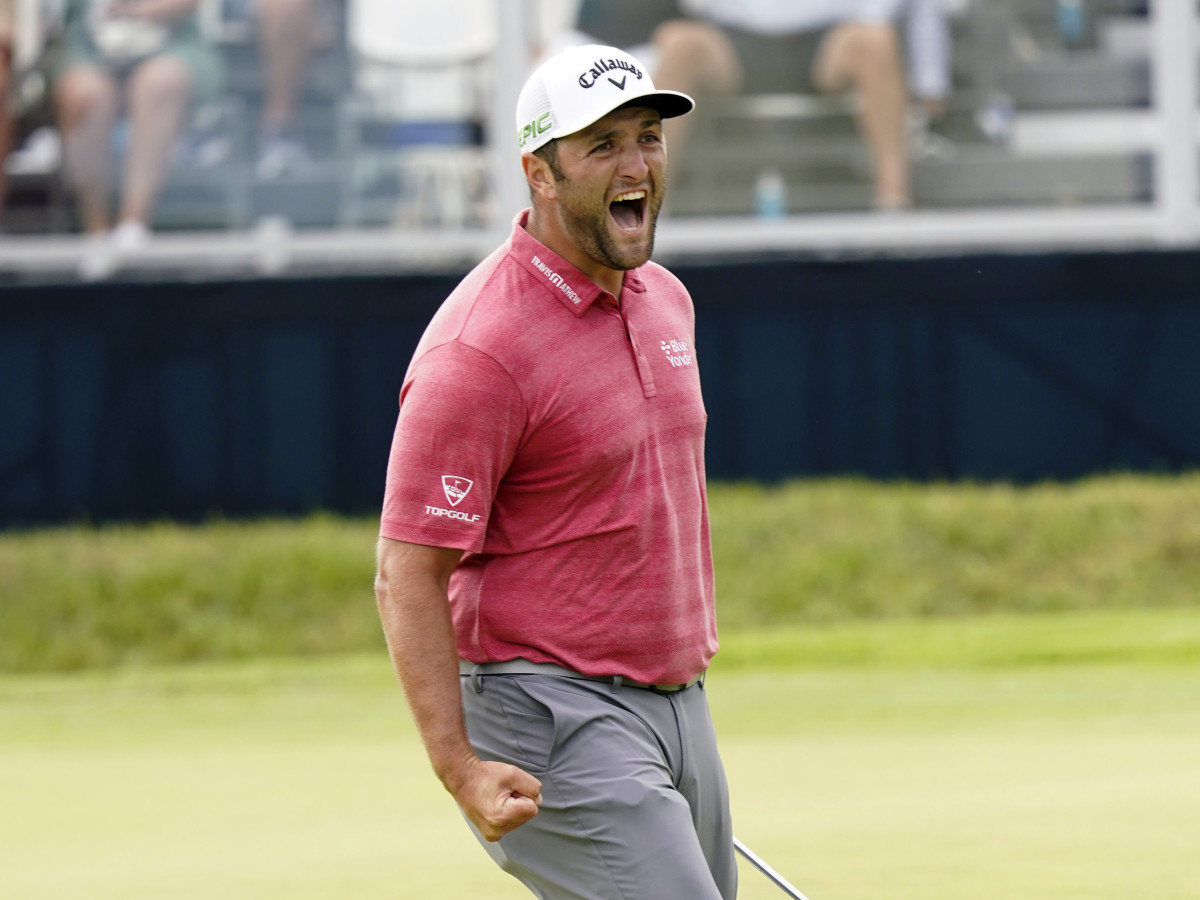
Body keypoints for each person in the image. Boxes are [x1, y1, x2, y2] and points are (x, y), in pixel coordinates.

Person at [374, 42, 737, 899]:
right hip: (549, 711)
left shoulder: (666, 300)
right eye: (602, 145)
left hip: (680, 705)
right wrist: (458, 765)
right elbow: (407, 573)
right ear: (540, 173)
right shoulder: (479, 350)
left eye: (646, 137)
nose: (636, 164)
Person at [685, 0, 951, 209]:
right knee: (678, 43)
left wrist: (930, 82)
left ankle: (894, 204)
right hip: (734, 36)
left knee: (876, 41)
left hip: (824, 38)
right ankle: (650, 217)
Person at [46, 0, 222, 273]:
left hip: (175, 40)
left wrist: (138, 12)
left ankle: (133, 226)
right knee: (85, 95)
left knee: (159, 83)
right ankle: (96, 233)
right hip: (88, 45)